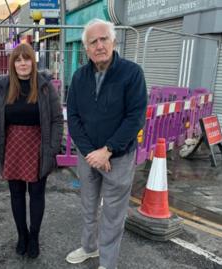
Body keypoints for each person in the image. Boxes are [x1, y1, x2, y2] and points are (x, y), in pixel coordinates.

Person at [65, 19, 147, 269]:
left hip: (119, 157)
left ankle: (108, 263)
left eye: (104, 39)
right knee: (88, 206)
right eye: (93, 41)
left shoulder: (132, 73)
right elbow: (74, 116)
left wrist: (108, 150)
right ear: (86, 49)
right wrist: (91, 153)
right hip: (89, 156)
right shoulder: (79, 77)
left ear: (113, 42)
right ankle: (89, 248)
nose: (99, 45)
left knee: (113, 213)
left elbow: (135, 117)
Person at [0, 43, 63, 258]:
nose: (23, 63)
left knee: (37, 194)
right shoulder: (3, 88)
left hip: (39, 146)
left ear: (33, 61)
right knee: (16, 195)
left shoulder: (45, 87)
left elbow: (57, 120)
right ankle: (21, 235)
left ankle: (34, 236)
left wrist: (52, 148)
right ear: (13, 63)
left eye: (27, 59)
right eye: (18, 60)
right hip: (11, 145)